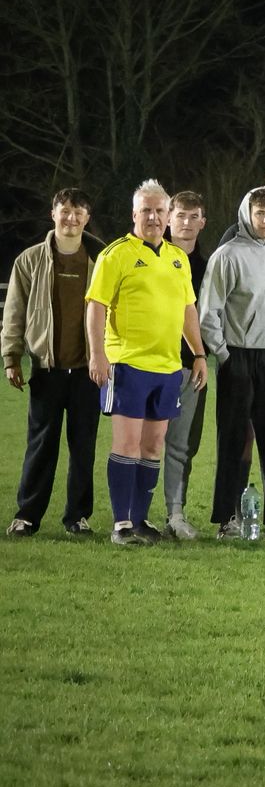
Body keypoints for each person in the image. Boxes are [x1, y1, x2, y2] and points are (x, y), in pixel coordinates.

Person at [85, 179, 208, 545]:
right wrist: (97, 354)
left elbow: (188, 310)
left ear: (168, 215)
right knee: (126, 444)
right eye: (146, 211)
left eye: (159, 210)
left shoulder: (177, 258)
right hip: (127, 365)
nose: (153, 217)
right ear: (134, 214)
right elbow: (95, 307)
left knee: (154, 447)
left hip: (168, 367)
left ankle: (140, 520)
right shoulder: (116, 254)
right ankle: (121, 524)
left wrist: (199, 353)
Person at [198, 188, 265, 541]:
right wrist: (223, 354)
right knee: (235, 439)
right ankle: (228, 519)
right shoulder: (227, 255)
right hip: (238, 354)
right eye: (260, 213)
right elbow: (208, 310)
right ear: (247, 214)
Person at [5, 188, 103, 537]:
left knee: (83, 448)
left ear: (87, 218)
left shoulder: (101, 260)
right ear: (53, 214)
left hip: (88, 372)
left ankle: (77, 517)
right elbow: (14, 312)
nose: (71, 218)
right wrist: (11, 357)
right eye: (65, 211)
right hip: (46, 369)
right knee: (41, 446)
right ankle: (27, 515)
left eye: (78, 211)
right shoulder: (29, 260)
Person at [157, 191, 210, 538]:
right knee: (138, 444)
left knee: (181, 444)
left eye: (193, 217)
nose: (186, 223)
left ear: (203, 222)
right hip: (147, 363)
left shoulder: (209, 265)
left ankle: (175, 514)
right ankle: (130, 514)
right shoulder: (147, 257)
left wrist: (203, 355)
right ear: (168, 218)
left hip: (191, 366)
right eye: (180, 216)